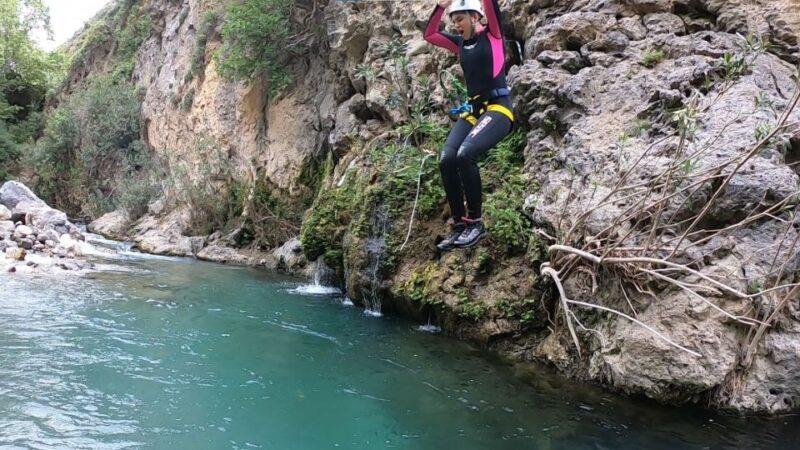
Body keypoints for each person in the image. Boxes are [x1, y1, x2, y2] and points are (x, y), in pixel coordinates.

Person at [423, 0, 515, 251]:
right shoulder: (460, 43)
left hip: (499, 108)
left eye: (460, 19)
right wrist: (441, 7)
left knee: (465, 155)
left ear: (475, 17)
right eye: (454, 21)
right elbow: (429, 34)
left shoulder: (494, 35)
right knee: (447, 159)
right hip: (475, 112)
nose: (456, 25)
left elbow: (490, 4)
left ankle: (475, 222)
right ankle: (460, 226)